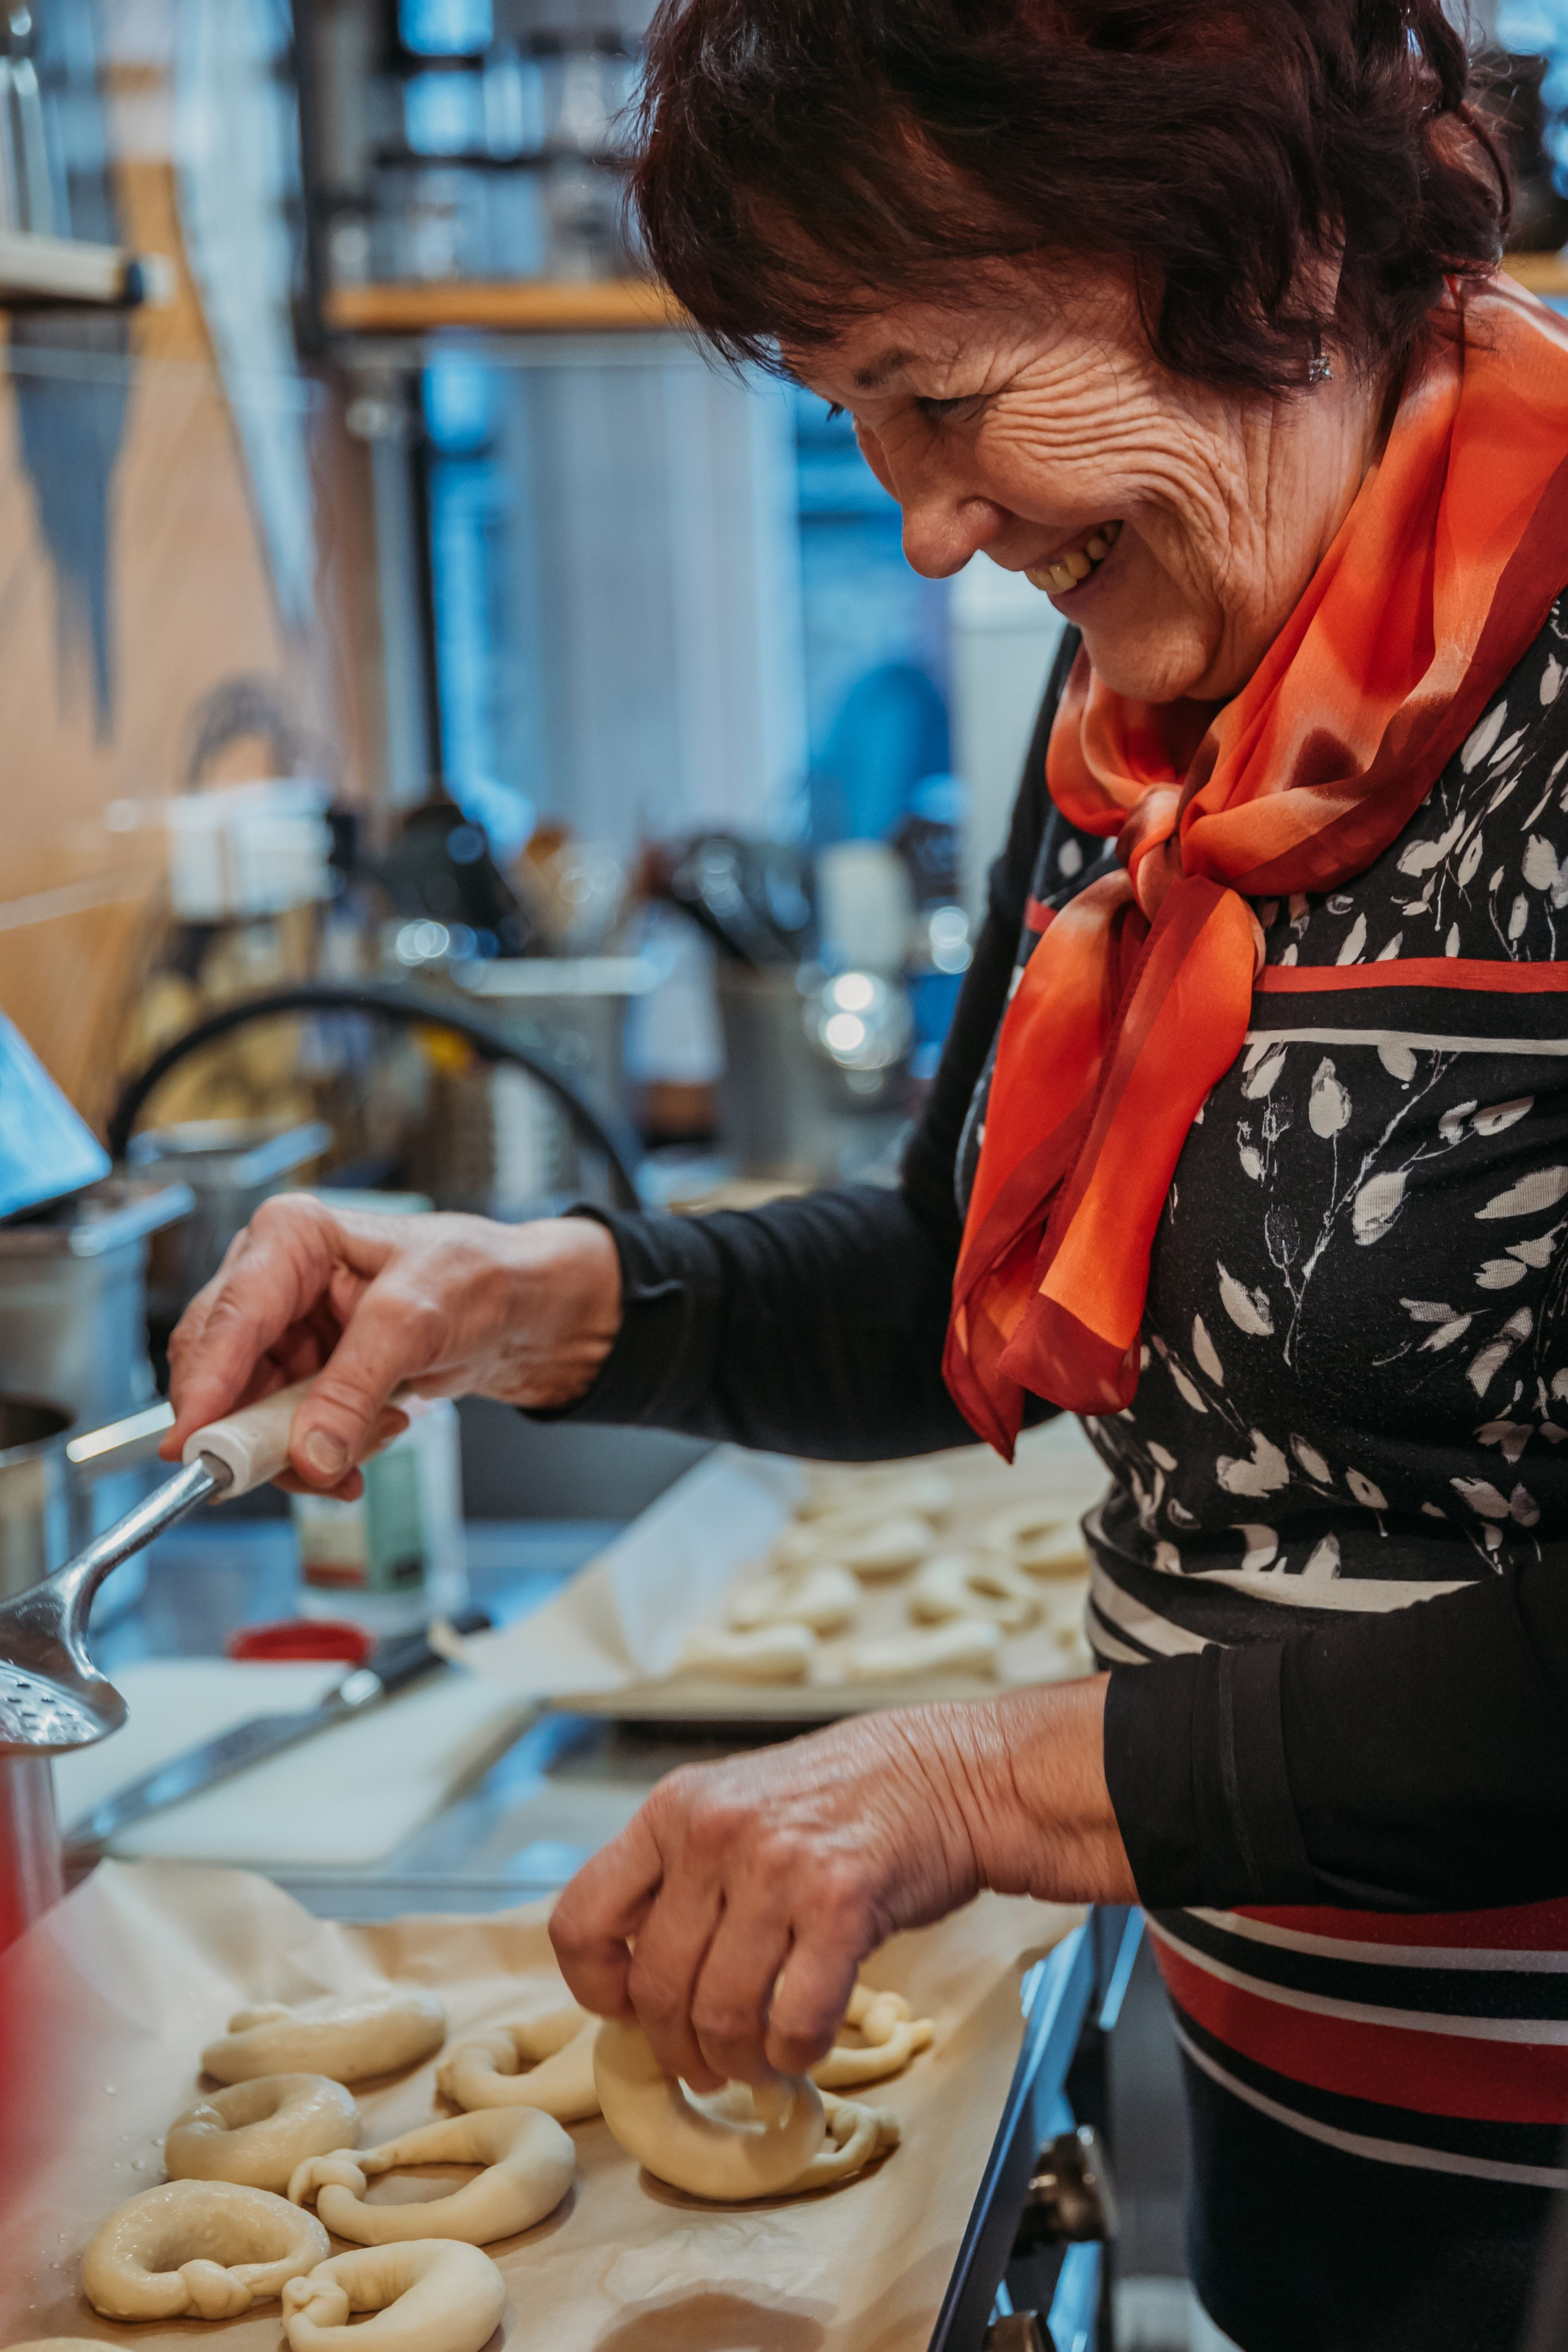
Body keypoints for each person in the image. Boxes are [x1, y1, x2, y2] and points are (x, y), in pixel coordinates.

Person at [164, 4, 1568, 2343]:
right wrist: (535, 1296)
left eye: (942, 392)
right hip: (1303, 2114)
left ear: (1277, 254)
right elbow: (962, 1268)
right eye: (853, 421)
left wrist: (989, 1784)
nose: (923, 532)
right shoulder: (1151, 704)